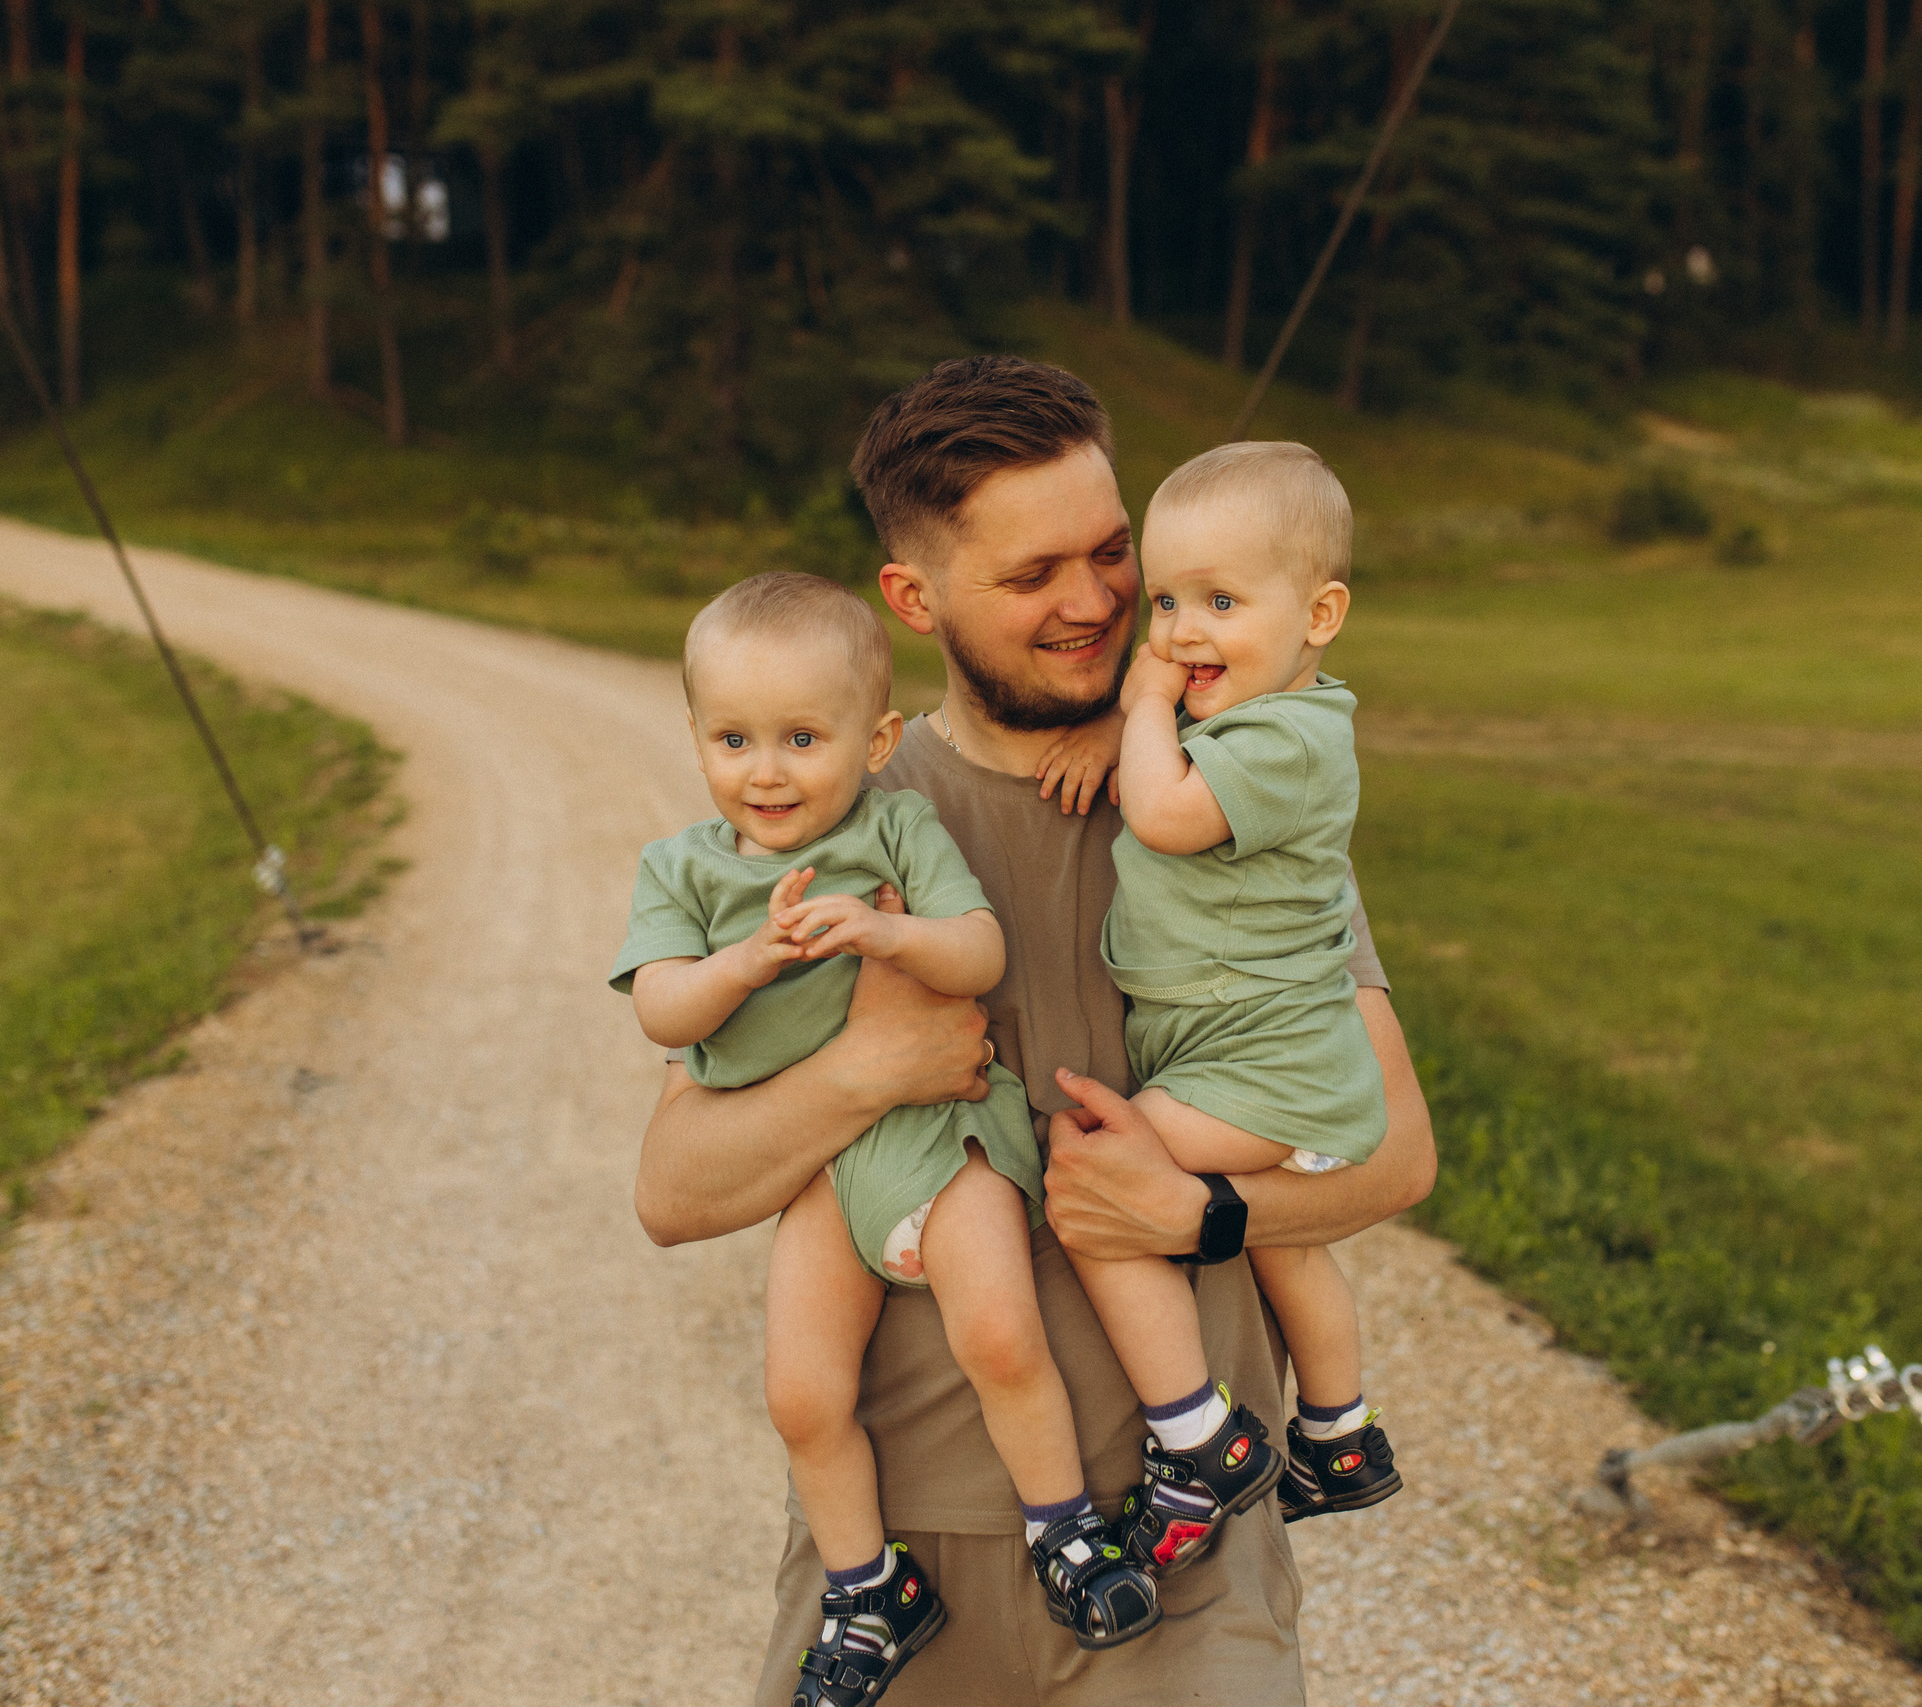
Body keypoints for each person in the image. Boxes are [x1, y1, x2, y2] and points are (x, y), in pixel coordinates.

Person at [632, 355, 1437, 1706]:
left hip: (1190, 1566)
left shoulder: (1234, 793)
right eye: (1032, 574)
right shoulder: (842, 824)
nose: (1097, 603)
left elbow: (1396, 1153)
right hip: (914, 1543)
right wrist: (865, 1067)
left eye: (1113, 552)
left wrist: (1199, 1211)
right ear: (914, 597)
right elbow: (673, 1189)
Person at [612, 573, 1164, 1707]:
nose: (765, 770)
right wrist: (745, 963)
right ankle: (868, 1587)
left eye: (802, 738)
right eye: (733, 738)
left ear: (876, 743)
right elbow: (662, 1008)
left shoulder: (894, 826)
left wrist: (886, 931)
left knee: (1001, 1333)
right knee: (803, 1395)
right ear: (694, 740)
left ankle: (1064, 1533)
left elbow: (977, 954)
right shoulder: (684, 870)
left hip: (934, 1130)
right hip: (819, 1170)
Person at [1083, 441, 1404, 1569]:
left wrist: (1135, 705)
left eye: (1221, 601)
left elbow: (1163, 815)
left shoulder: (1291, 738)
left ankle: (1197, 1437)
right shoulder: (1247, 725)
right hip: (1274, 1059)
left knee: (1098, 1188)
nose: (1180, 633)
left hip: (1263, 1065)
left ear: (1319, 614)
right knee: (1286, 1253)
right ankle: (1339, 1431)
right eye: (1165, 602)